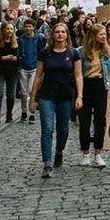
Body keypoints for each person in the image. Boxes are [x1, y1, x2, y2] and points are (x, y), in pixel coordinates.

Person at [29, 22, 83, 179]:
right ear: (52, 34)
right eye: (57, 32)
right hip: (47, 95)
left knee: (63, 129)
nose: (60, 34)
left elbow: (78, 75)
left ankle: (59, 151)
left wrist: (80, 96)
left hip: (66, 95)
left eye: (63, 32)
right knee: (47, 129)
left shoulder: (73, 53)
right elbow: (38, 76)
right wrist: (32, 99)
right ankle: (47, 163)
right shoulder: (45, 53)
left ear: (67, 35)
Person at [75, 24, 110, 168]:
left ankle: (98, 154)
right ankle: (85, 154)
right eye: (101, 34)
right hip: (85, 86)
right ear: (93, 36)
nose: (104, 36)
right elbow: (77, 73)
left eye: (105, 34)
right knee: (84, 123)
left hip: (101, 86)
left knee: (100, 122)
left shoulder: (107, 51)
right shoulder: (80, 52)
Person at [0, 22, 21, 127]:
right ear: (3, 30)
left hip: (13, 71)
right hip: (0, 70)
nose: (9, 31)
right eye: (7, 29)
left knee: (11, 95)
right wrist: (2, 58)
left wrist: (16, 58)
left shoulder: (18, 42)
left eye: (11, 29)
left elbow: (23, 56)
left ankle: (9, 114)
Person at [18, 19, 44, 124]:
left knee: (31, 90)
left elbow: (41, 52)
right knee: (23, 92)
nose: (28, 28)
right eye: (26, 26)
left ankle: (32, 113)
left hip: (34, 67)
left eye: (30, 26)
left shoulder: (38, 38)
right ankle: (24, 112)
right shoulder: (20, 39)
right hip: (23, 68)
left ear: (33, 27)